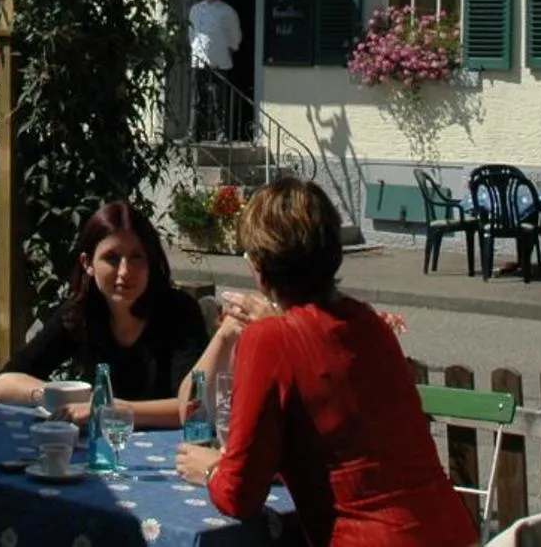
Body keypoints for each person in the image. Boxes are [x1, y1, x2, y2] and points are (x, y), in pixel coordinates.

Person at [174, 176, 478, 546]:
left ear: (260, 264)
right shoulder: (366, 323)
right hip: (447, 529)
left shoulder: (270, 339)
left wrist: (210, 470)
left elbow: (238, 494)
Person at [0, 200, 206, 429]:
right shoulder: (79, 313)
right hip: (93, 456)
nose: (125, 272)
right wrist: (56, 396)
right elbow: (3, 385)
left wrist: (112, 410)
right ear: (88, 263)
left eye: (137, 257)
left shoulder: (178, 312)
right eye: (112, 258)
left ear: (151, 262)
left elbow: (194, 406)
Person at [190, 0, 244, 141]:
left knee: (218, 100)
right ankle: (193, 133)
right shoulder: (195, 9)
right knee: (197, 99)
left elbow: (235, 35)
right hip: (199, 61)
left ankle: (221, 133)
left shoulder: (228, 11)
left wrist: (232, 47)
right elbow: (191, 32)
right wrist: (194, 48)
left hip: (220, 61)